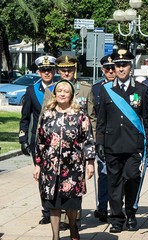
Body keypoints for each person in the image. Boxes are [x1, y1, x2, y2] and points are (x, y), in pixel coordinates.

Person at [96, 49, 148, 233]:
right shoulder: (106, 90)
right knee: (114, 183)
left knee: (132, 178)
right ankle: (117, 219)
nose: (120, 68)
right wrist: (99, 143)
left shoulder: (141, 89)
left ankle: (131, 212)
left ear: (130, 66)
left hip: (133, 145)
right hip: (112, 144)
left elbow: (147, 120)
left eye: (124, 65)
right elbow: (101, 120)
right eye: (117, 65)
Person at [33, 79, 95, 240]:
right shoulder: (47, 114)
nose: (62, 94)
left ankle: (73, 226)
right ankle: (55, 236)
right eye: (59, 91)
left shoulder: (80, 116)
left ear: (71, 95)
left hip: (73, 167)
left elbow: (88, 140)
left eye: (66, 91)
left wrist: (90, 163)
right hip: (50, 167)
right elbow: (40, 141)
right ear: (55, 94)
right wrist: (38, 165)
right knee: (52, 202)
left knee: (71, 202)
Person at [19, 55, 56, 225]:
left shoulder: (61, 89)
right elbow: (25, 117)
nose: (46, 73)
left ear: (54, 71)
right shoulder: (31, 90)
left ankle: (58, 209)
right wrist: (23, 138)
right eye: (43, 70)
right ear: (39, 72)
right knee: (42, 176)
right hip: (39, 141)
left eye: (49, 70)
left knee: (58, 175)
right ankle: (46, 210)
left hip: (57, 140)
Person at [92, 54, 116, 223]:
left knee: (119, 175)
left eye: (113, 68)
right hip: (102, 138)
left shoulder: (123, 87)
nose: (110, 71)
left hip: (120, 138)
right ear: (102, 70)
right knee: (104, 173)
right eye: (107, 69)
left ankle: (117, 208)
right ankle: (102, 207)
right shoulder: (96, 89)